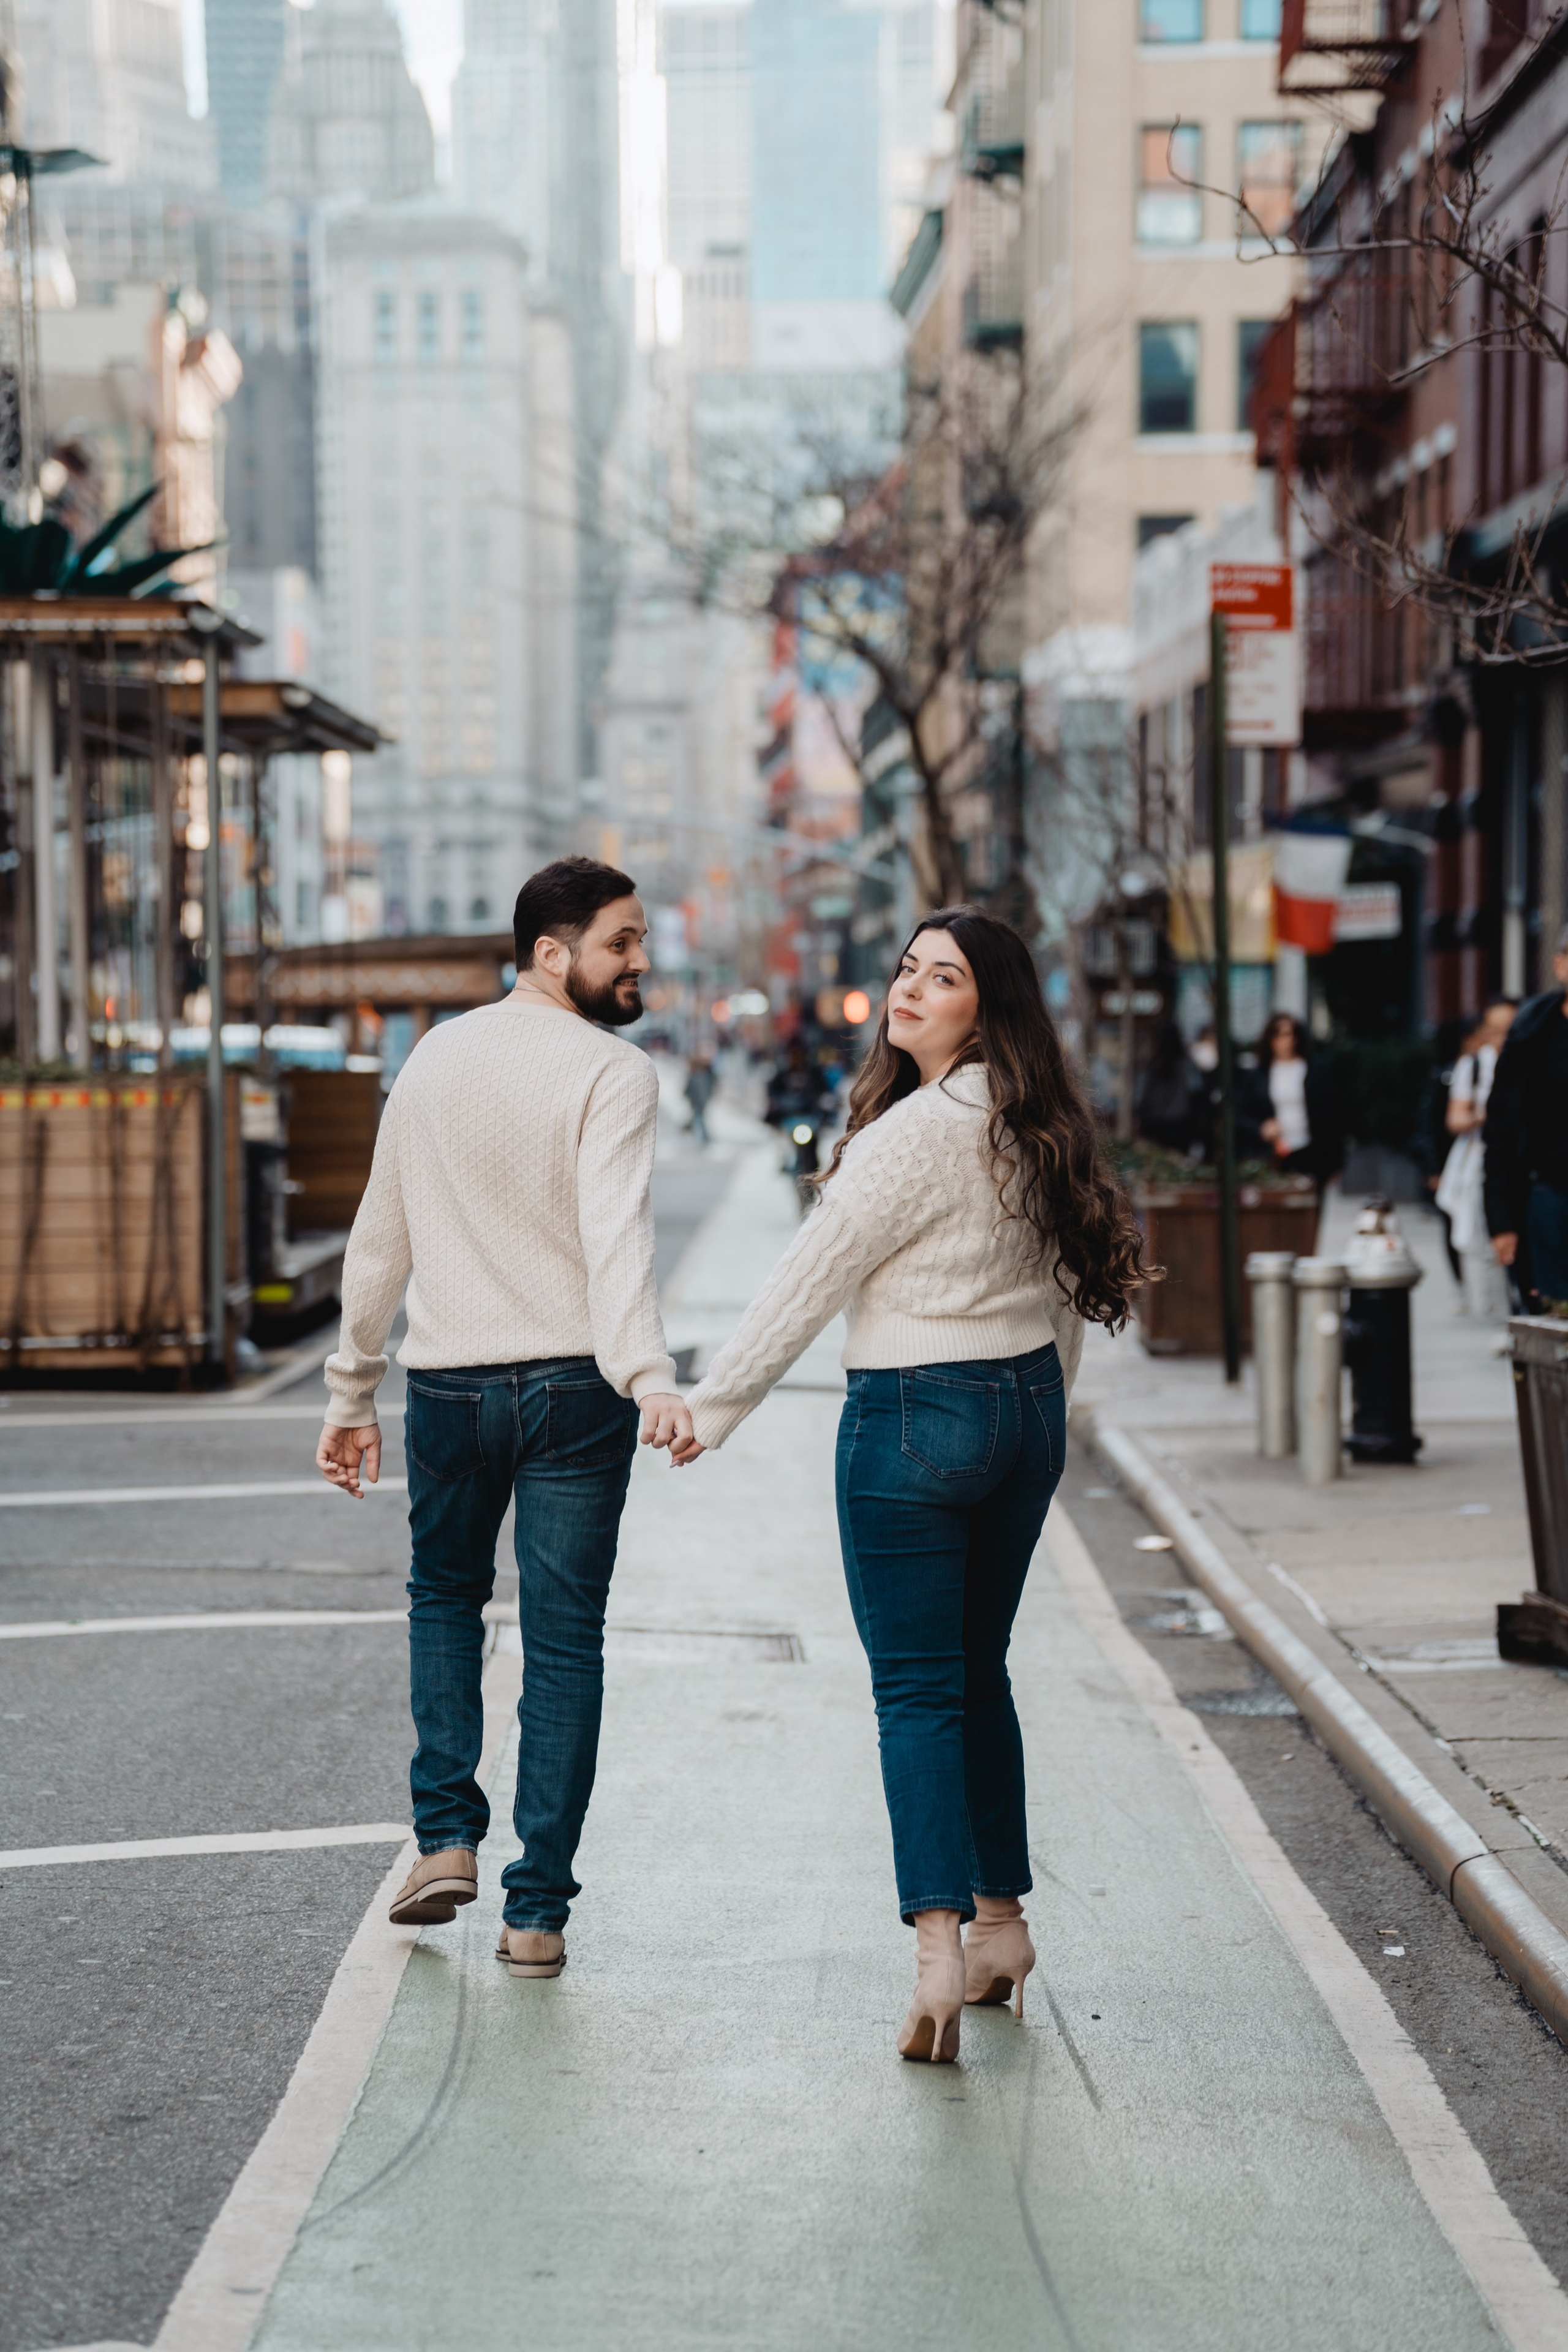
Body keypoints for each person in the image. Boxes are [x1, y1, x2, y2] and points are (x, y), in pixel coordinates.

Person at [673, 908, 1148, 2065]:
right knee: (979, 1677)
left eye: (944, 978)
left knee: (919, 1696)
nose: (911, 990)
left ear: (988, 1006)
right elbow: (1055, 1297)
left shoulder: (907, 1137)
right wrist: (1047, 1413)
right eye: (908, 970)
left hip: (911, 1421)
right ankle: (1001, 1928)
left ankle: (936, 1951)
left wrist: (714, 1404)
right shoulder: (1038, 1122)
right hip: (1024, 1413)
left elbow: (805, 1282)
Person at [314, 858, 694, 1980]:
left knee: (445, 1601)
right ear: (550, 952)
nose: (640, 963)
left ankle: (444, 1839)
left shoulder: (433, 1059)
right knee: (564, 1642)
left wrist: (352, 1391)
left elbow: (379, 1239)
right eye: (621, 943)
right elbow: (619, 1238)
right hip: (576, 1385)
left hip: (447, 1387)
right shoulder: (611, 1073)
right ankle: (536, 1915)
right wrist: (649, 1373)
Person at [1485, 927, 1568, 1310]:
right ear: (1560, 964)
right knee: (1553, 1313)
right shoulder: (1532, 1033)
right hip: (1546, 1193)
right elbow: (1500, 1131)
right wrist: (1501, 1221)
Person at [1435, 997, 1517, 1322]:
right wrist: (1489, 1115)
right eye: (1495, 1030)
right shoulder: (1474, 1065)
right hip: (1483, 1158)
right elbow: (1455, 1119)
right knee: (1489, 1237)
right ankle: (1503, 1315)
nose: (1502, 1038)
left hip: (1522, 1158)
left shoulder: (1529, 1060)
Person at [1238, 1012, 1341, 1184]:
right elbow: (1240, 1113)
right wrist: (1261, 1128)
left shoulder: (1315, 1072)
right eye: (1278, 1035)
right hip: (1273, 1153)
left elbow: (1332, 1116)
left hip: (1309, 1150)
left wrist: (1336, 1162)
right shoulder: (1258, 1075)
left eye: (1290, 1034)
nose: (1285, 1041)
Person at [1136, 1017, 1203, 1155]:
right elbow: (1196, 1090)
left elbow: (1140, 1097)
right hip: (1175, 1124)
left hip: (1167, 1124)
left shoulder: (1154, 1065)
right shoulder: (1184, 1063)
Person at [684, 1047, 717, 1145]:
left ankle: (705, 1138)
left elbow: (694, 1087)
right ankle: (691, 1130)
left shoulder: (700, 1075)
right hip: (698, 1099)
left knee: (699, 1118)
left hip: (698, 1100)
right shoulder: (702, 1074)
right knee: (698, 1117)